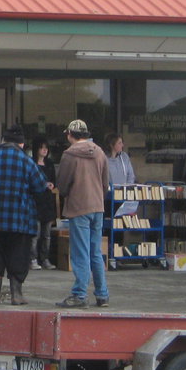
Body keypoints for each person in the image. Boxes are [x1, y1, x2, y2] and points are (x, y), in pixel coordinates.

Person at [0, 124, 49, 305]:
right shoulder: (27, 162)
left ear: (3, 141)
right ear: (21, 144)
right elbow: (40, 187)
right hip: (20, 218)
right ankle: (16, 294)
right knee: (18, 254)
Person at [54, 119, 109, 309]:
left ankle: (79, 294)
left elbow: (62, 185)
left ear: (70, 134)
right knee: (95, 251)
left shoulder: (69, 155)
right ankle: (102, 294)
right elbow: (105, 183)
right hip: (97, 207)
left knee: (80, 253)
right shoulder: (100, 152)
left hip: (79, 208)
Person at [30, 137, 58, 270]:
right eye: (42, 147)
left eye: (46, 148)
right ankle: (32, 258)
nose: (44, 150)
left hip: (47, 202)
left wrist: (52, 184)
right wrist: (43, 184)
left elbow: (54, 180)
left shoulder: (50, 164)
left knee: (47, 234)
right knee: (36, 234)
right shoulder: (32, 164)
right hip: (36, 202)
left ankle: (45, 258)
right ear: (37, 149)